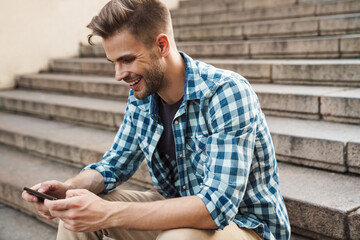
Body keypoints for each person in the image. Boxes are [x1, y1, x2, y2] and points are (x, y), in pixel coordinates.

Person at [22, 0, 291, 239]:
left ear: (162, 45)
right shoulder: (142, 95)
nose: (118, 74)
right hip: (178, 211)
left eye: (127, 59)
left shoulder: (226, 93)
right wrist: (68, 188)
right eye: (113, 62)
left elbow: (216, 206)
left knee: (179, 237)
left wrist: (108, 213)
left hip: (245, 226)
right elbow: (113, 167)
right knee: (76, 212)